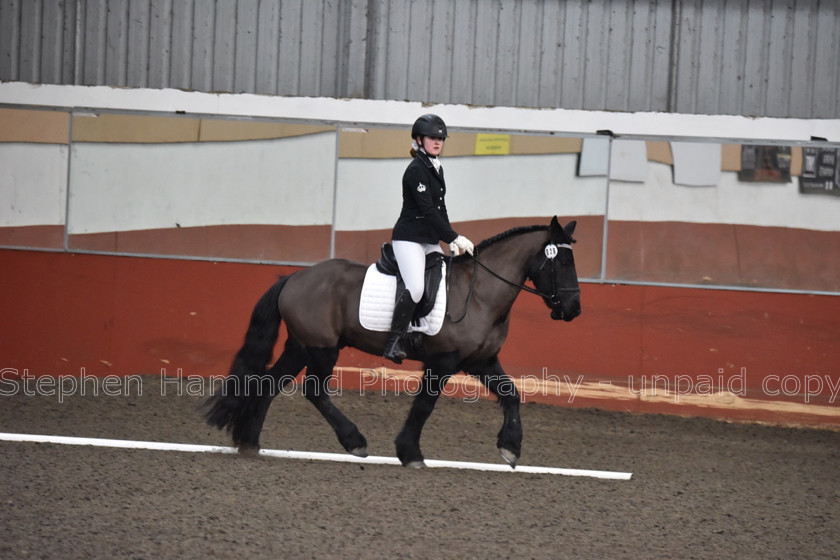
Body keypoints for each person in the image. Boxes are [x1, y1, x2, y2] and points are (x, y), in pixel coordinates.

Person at [383, 114, 475, 363]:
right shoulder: (415, 170)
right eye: (433, 138)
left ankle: (422, 329)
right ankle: (393, 342)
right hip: (409, 239)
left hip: (429, 240)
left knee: (443, 275)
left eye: (441, 138)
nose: (438, 142)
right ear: (420, 140)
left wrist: (450, 241)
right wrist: (454, 236)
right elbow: (427, 211)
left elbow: (440, 210)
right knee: (415, 287)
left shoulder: (436, 167)